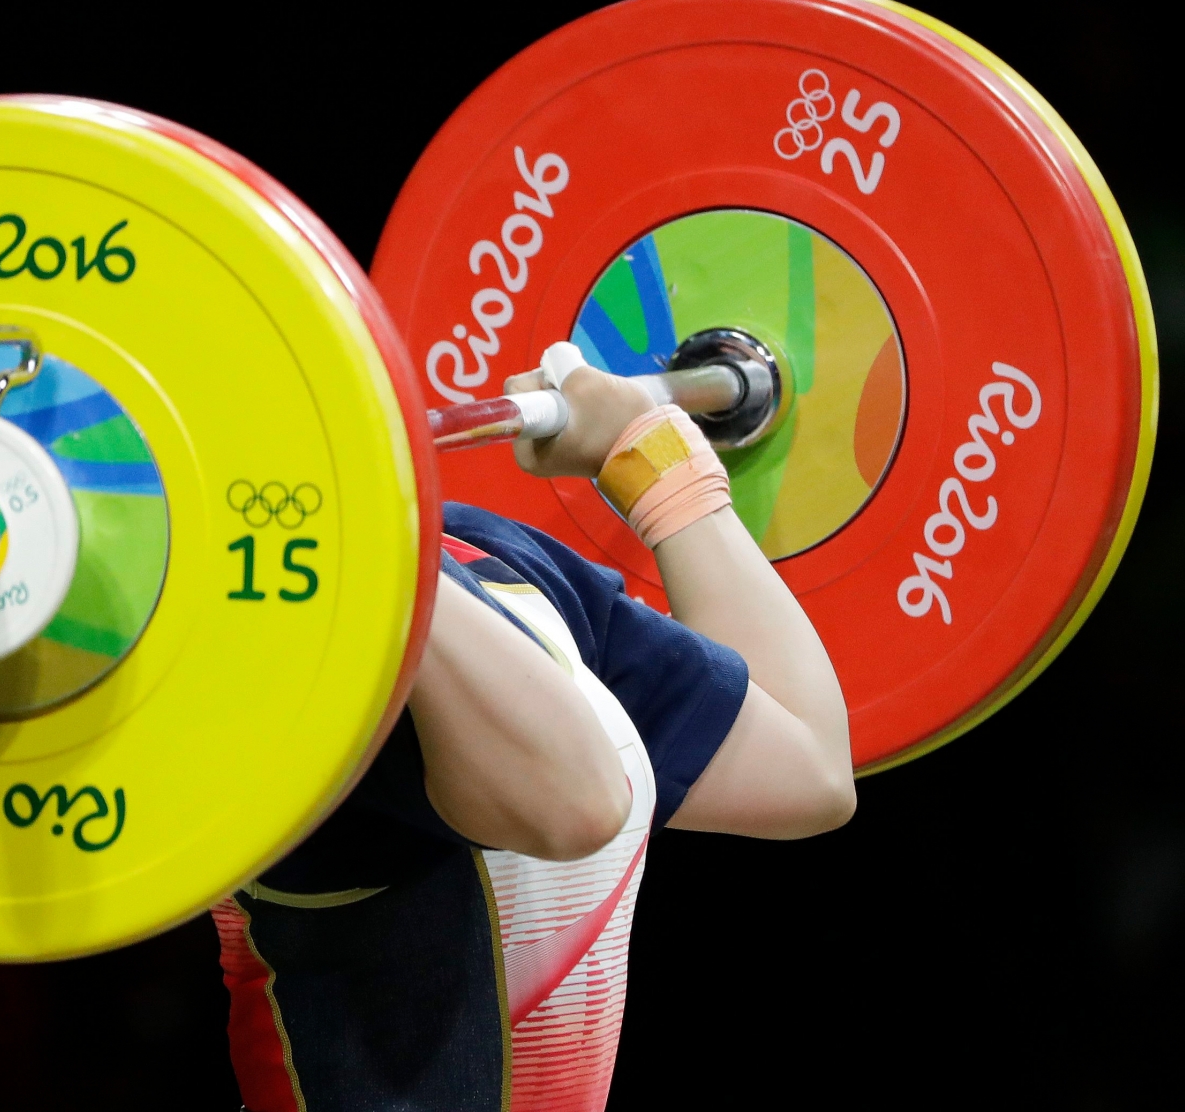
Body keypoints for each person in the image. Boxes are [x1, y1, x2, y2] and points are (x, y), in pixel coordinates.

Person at [212, 352, 856, 1112]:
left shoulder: (490, 559)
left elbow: (808, 774)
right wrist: (354, 520)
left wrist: (654, 461)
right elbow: (576, 804)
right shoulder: (290, 660)